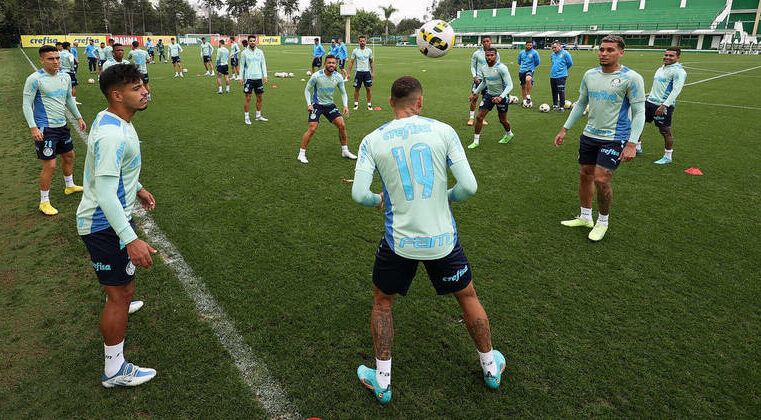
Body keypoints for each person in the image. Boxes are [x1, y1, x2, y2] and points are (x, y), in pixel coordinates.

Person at [352, 75, 505, 404]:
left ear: (391, 101)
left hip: (399, 243)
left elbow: (358, 194)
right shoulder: (444, 131)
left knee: (383, 303)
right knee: (467, 296)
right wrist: (446, 196)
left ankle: (382, 381)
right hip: (442, 240)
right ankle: (491, 368)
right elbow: (469, 188)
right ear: (420, 102)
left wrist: (379, 200)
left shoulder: (372, 139)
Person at [76, 63, 158, 388]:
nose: (145, 92)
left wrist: (137, 186)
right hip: (104, 222)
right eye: (137, 88)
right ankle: (114, 370)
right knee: (119, 294)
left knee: (123, 289)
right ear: (117, 94)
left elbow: (109, 171)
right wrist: (130, 238)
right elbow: (106, 193)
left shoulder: (111, 118)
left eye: (143, 85)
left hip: (113, 216)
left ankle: (121, 300)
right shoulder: (113, 134)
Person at [553, 35, 646, 242]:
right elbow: (580, 103)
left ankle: (602, 222)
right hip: (589, 135)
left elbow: (639, 112)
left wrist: (632, 143)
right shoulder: (590, 75)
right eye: (602, 49)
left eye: (610, 50)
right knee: (585, 174)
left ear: (621, 52)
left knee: (602, 179)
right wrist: (564, 129)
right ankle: (585, 217)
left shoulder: (632, 78)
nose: (604, 53)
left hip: (615, 137)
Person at [22, 45, 86, 215]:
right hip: (45, 128)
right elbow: (26, 105)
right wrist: (33, 127)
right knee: (50, 165)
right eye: (51, 59)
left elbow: (69, 100)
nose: (56, 61)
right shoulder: (35, 79)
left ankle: (69, 185)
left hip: (62, 126)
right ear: (42, 60)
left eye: (57, 58)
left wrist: (79, 117)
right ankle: (44, 202)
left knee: (69, 155)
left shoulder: (65, 77)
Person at [299, 54, 356, 164]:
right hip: (317, 105)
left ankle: (345, 150)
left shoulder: (338, 77)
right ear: (325, 64)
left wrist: (345, 106)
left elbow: (343, 93)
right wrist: (309, 104)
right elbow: (307, 90)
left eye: (333, 63)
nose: (331, 65)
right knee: (312, 128)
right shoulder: (316, 76)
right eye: (329, 63)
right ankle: (301, 154)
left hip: (330, 105)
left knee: (342, 125)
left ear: (336, 65)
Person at [641, 47, 686, 164]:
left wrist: (664, 106)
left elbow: (676, 90)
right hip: (650, 102)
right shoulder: (660, 68)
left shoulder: (679, 71)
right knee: (638, 123)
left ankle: (668, 157)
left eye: (671, 56)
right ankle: (637, 147)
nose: (667, 57)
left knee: (665, 131)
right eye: (666, 55)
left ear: (678, 57)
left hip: (662, 105)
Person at [467, 48, 514, 149]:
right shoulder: (484, 68)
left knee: (502, 120)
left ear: (496, 56)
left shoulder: (502, 68)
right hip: (489, 95)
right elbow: (484, 82)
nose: (489, 57)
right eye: (487, 55)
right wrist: (475, 93)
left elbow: (510, 85)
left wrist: (501, 97)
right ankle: (476, 141)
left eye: (491, 55)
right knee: (479, 117)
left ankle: (509, 133)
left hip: (502, 96)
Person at [467, 35, 500, 126]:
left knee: (485, 100)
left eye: (487, 41)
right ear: (482, 42)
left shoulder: (496, 54)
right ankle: (471, 118)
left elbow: (497, 67)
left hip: (489, 80)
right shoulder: (476, 53)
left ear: (491, 42)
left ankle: (481, 117)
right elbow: (473, 66)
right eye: (484, 41)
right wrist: (475, 76)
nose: (486, 43)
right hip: (478, 79)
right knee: (474, 98)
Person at [239, 35, 268, 124]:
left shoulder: (260, 52)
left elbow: (263, 64)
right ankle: (246, 117)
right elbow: (241, 66)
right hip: (249, 79)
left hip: (258, 78)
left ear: (256, 42)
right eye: (250, 41)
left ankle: (258, 116)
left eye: (253, 41)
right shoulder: (244, 53)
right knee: (248, 98)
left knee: (260, 98)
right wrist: (241, 77)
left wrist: (265, 76)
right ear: (248, 42)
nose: (252, 42)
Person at [347, 35, 374, 111]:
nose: (362, 42)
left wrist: (372, 72)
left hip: (367, 72)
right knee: (357, 89)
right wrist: (348, 73)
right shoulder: (355, 51)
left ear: (365, 41)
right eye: (361, 41)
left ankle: (369, 104)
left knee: (368, 88)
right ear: (358, 42)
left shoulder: (369, 51)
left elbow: (371, 62)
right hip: (358, 72)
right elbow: (351, 62)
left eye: (363, 41)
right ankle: (356, 103)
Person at [549, 41, 573, 112]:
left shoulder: (565, 53)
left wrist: (563, 70)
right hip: (552, 75)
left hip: (561, 76)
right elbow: (553, 63)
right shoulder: (552, 55)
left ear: (559, 46)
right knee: (554, 91)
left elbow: (570, 63)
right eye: (552, 47)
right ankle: (555, 105)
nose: (553, 49)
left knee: (561, 91)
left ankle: (562, 106)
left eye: (555, 47)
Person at [517, 40, 540, 107]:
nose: (529, 46)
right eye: (528, 45)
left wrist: (532, 67)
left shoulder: (535, 53)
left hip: (530, 69)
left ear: (532, 46)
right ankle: (524, 101)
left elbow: (537, 62)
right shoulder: (521, 53)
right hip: (522, 71)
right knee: (523, 86)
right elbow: (519, 61)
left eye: (530, 45)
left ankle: (528, 96)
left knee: (528, 79)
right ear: (526, 45)